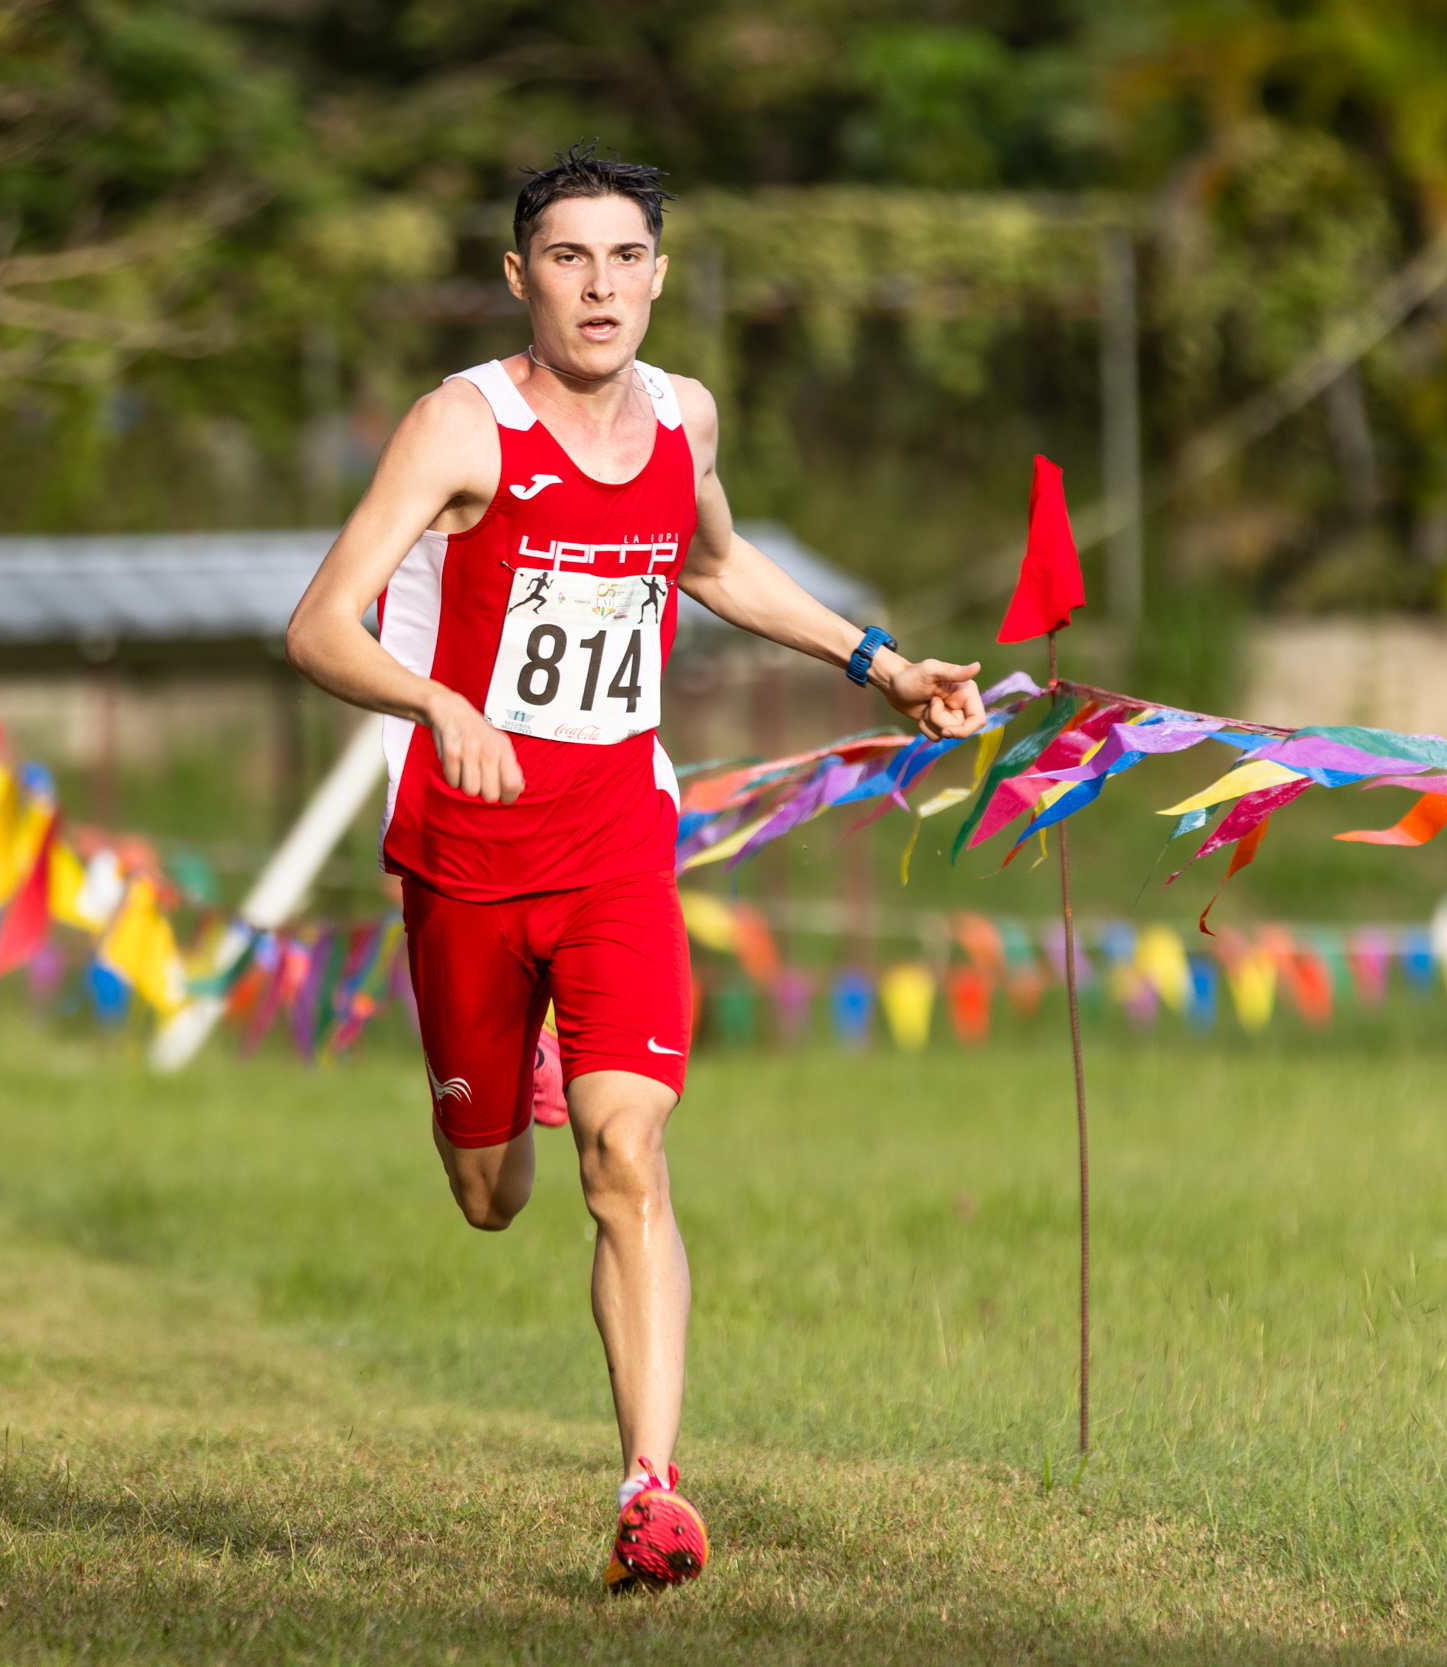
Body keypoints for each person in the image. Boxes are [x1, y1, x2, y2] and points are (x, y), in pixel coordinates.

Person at [284, 145, 987, 1593]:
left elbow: (716, 566)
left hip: (616, 843)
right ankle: (515, 1074)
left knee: (631, 1154)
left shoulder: (685, 417)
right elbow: (321, 624)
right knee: (493, 1193)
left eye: (624, 259)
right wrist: (441, 705)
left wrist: (877, 659)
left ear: (660, 275)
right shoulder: (460, 427)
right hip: (466, 854)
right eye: (567, 258)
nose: (599, 288)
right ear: (517, 275)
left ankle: (650, 1488)